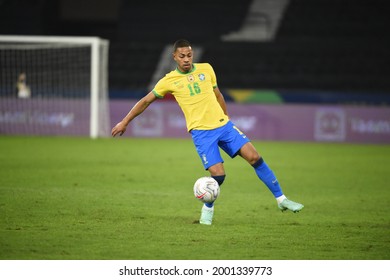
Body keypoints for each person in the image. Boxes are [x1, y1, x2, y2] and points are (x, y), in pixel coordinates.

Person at [111, 39, 304, 225]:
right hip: (202, 133)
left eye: (189, 55)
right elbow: (145, 101)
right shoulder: (168, 81)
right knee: (219, 176)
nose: (186, 59)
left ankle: (281, 199)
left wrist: (226, 118)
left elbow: (217, 94)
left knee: (255, 157)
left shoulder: (207, 68)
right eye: (182, 56)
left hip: (223, 126)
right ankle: (208, 209)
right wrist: (124, 122)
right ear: (175, 57)